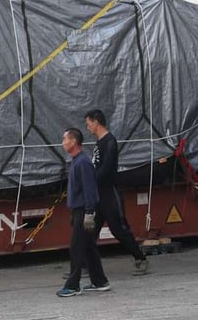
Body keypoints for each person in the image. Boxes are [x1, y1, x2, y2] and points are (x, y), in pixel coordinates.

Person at [85, 109, 149, 275]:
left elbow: (106, 168)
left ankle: (140, 258)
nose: (87, 127)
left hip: (109, 193)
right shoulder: (99, 142)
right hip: (98, 193)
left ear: (96, 122)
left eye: (88, 123)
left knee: (118, 229)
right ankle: (85, 264)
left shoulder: (109, 142)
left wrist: (92, 181)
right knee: (91, 230)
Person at [57, 127, 111, 297]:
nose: (63, 142)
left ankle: (73, 285)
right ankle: (100, 281)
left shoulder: (83, 163)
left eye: (65, 139)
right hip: (78, 210)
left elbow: (90, 190)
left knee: (76, 248)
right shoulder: (76, 161)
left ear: (73, 142)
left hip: (84, 211)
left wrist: (89, 213)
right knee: (88, 247)